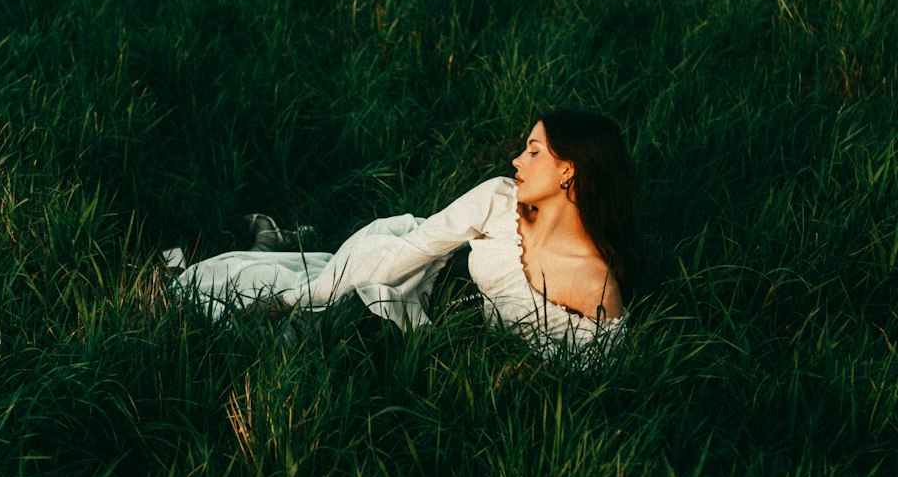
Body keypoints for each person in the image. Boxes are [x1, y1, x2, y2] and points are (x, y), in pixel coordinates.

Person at [170, 110, 639, 362]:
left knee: (319, 342)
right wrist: (296, 297)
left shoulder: (591, 283)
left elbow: (593, 368)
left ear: (568, 171)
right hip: (414, 270)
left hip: (436, 333)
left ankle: (270, 242)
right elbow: (418, 247)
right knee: (292, 311)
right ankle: (267, 246)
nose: (517, 159)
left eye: (533, 151)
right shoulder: (500, 198)